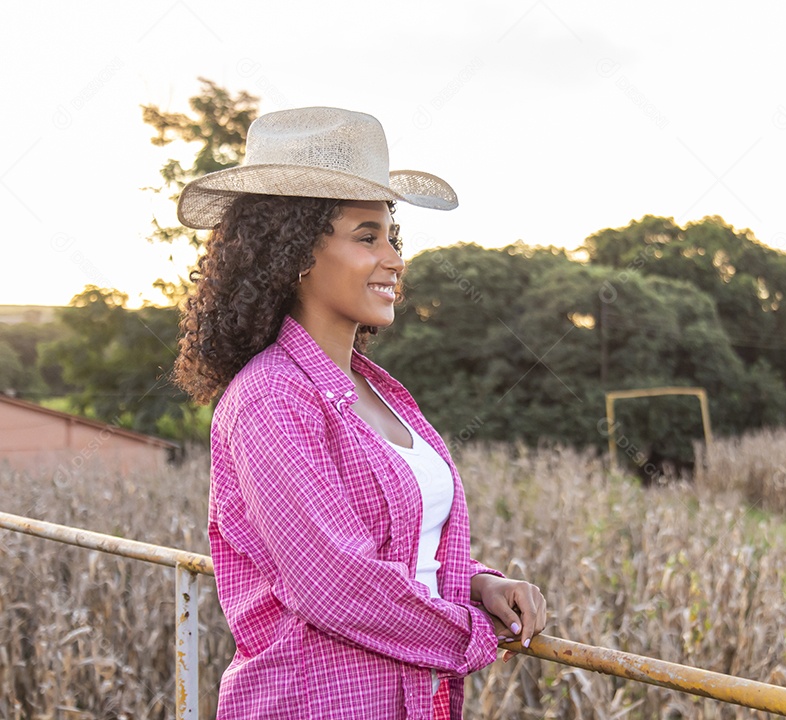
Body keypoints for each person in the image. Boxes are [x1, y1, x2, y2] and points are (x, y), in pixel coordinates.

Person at [173, 107, 547, 720]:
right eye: (367, 237)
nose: (395, 260)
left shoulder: (377, 391)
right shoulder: (272, 398)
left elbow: (393, 544)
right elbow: (334, 583)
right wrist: (477, 632)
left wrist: (478, 584)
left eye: (392, 237)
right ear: (293, 254)